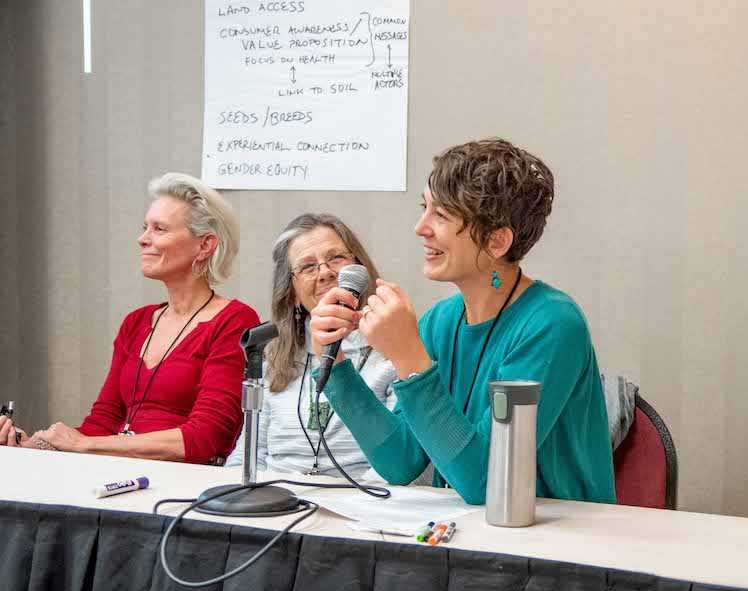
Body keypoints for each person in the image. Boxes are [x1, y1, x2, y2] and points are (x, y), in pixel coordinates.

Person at [309, 138, 616, 505]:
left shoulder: (553, 325)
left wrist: (411, 360)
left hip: (563, 540)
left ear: (497, 241)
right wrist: (336, 365)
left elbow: (488, 483)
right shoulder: (441, 321)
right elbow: (401, 461)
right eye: (425, 208)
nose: (420, 228)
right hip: (472, 537)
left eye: (441, 215)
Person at [0, 173, 259, 463]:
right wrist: (33, 446)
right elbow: (102, 422)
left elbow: (207, 437)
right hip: (116, 475)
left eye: (159, 229)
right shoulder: (136, 322)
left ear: (205, 245)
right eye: (144, 227)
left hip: (181, 487)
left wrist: (85, 446)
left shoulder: (235, 320)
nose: (142, 239)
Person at [225, 214, 397, 477]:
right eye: (307, 267)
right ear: (291, 291)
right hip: (277, 502)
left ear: (360, 269)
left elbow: (401, 466)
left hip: (358, 504)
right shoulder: (274, 354)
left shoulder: (392, 348)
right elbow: (249, 455)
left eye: (336, 258)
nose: (325, 272)